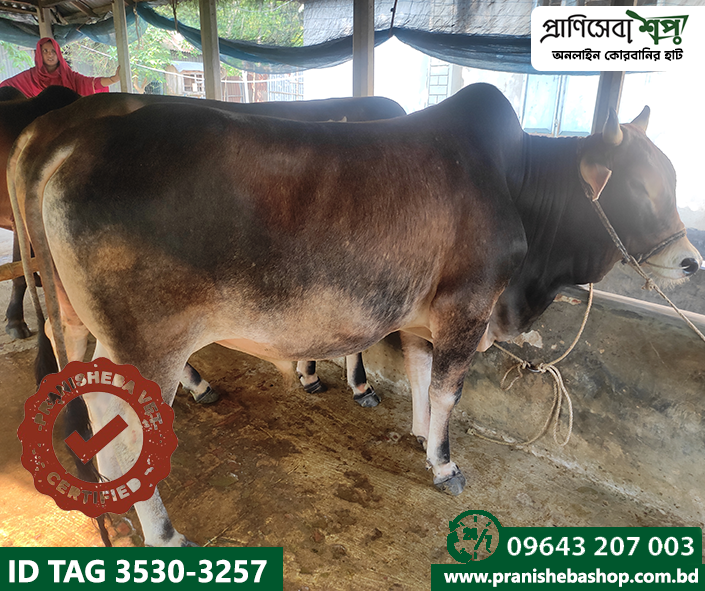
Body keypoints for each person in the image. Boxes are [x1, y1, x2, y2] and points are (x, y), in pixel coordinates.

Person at [0, 37, 120, 97]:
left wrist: (113, 79)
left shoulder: (69, 76)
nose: (50, 55)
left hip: (67, 124)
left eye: (53, 51)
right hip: (41, 127)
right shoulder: (30, 77)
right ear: (39, 54)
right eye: (45, 51)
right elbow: (6, 87)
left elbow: (91, 83)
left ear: (58, 54)